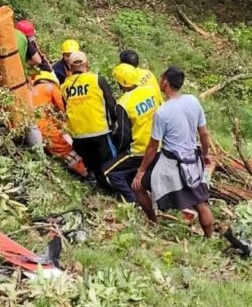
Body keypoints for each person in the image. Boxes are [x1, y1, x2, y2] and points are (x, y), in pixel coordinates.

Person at [131, 66, 214, 237]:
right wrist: (205, 154)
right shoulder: (193, 101)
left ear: (165, 83)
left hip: (171, 164)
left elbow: (153, 146)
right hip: (192, 160)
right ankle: (209, 238)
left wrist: (141, 171)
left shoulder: (162, 112)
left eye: (161, 78)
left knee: (138, 186)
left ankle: (153, 221)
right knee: (200, 202)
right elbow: (204, 133)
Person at [102, 63, 159, 202]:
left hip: (139, 150)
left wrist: (120, 149)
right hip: (159, 145)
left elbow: (124, 136)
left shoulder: (124, 104)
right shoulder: (150, 90)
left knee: (108, 172)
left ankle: (132, 200)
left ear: (120, 83)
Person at [61, 51, 118, 189]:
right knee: (111, 164)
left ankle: (102, 188)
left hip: (79, 135)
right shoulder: (97, 79)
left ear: (70, 66)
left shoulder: (64, 87)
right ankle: (116, 191)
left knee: (93, 165)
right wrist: (114, 122)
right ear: (87, 64)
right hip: (99, 130)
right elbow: (111, 103)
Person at [31, 70, 88, 177]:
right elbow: (64, 108)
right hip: (44, 127)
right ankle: (86, 175)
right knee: (65, 150)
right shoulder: (51, 88)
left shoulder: (31, 91)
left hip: (31, 127)